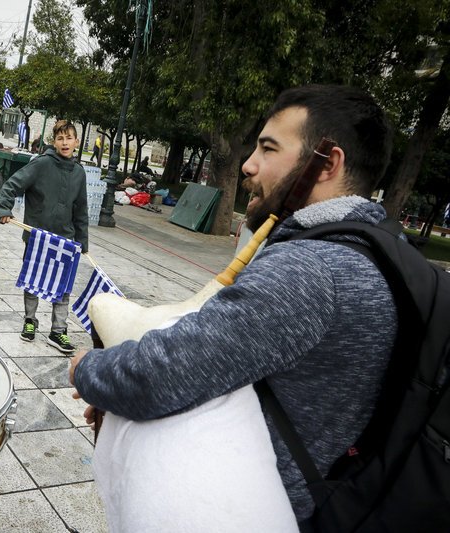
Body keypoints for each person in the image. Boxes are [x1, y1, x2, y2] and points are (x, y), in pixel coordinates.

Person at [69, 84, 396, 526]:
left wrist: (86, 370)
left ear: (328, 164)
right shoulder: (378, 250)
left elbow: (163, 373)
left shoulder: (312, 269)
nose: (248, 164)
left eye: (268, 148)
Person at [0, 119, 88, 354]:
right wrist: (4, 208)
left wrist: (82, 241)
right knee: (33, 281)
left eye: (69, 138)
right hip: (38, 236)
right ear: (54, 141)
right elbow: (12, 185)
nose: (64, 143)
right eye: (60, 138)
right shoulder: (42, 164)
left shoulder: (79, 173)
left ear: (77, 142)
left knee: (63, 288)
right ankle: (30, 320)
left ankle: (58, 331)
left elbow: (81, 209)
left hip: (65, 240)